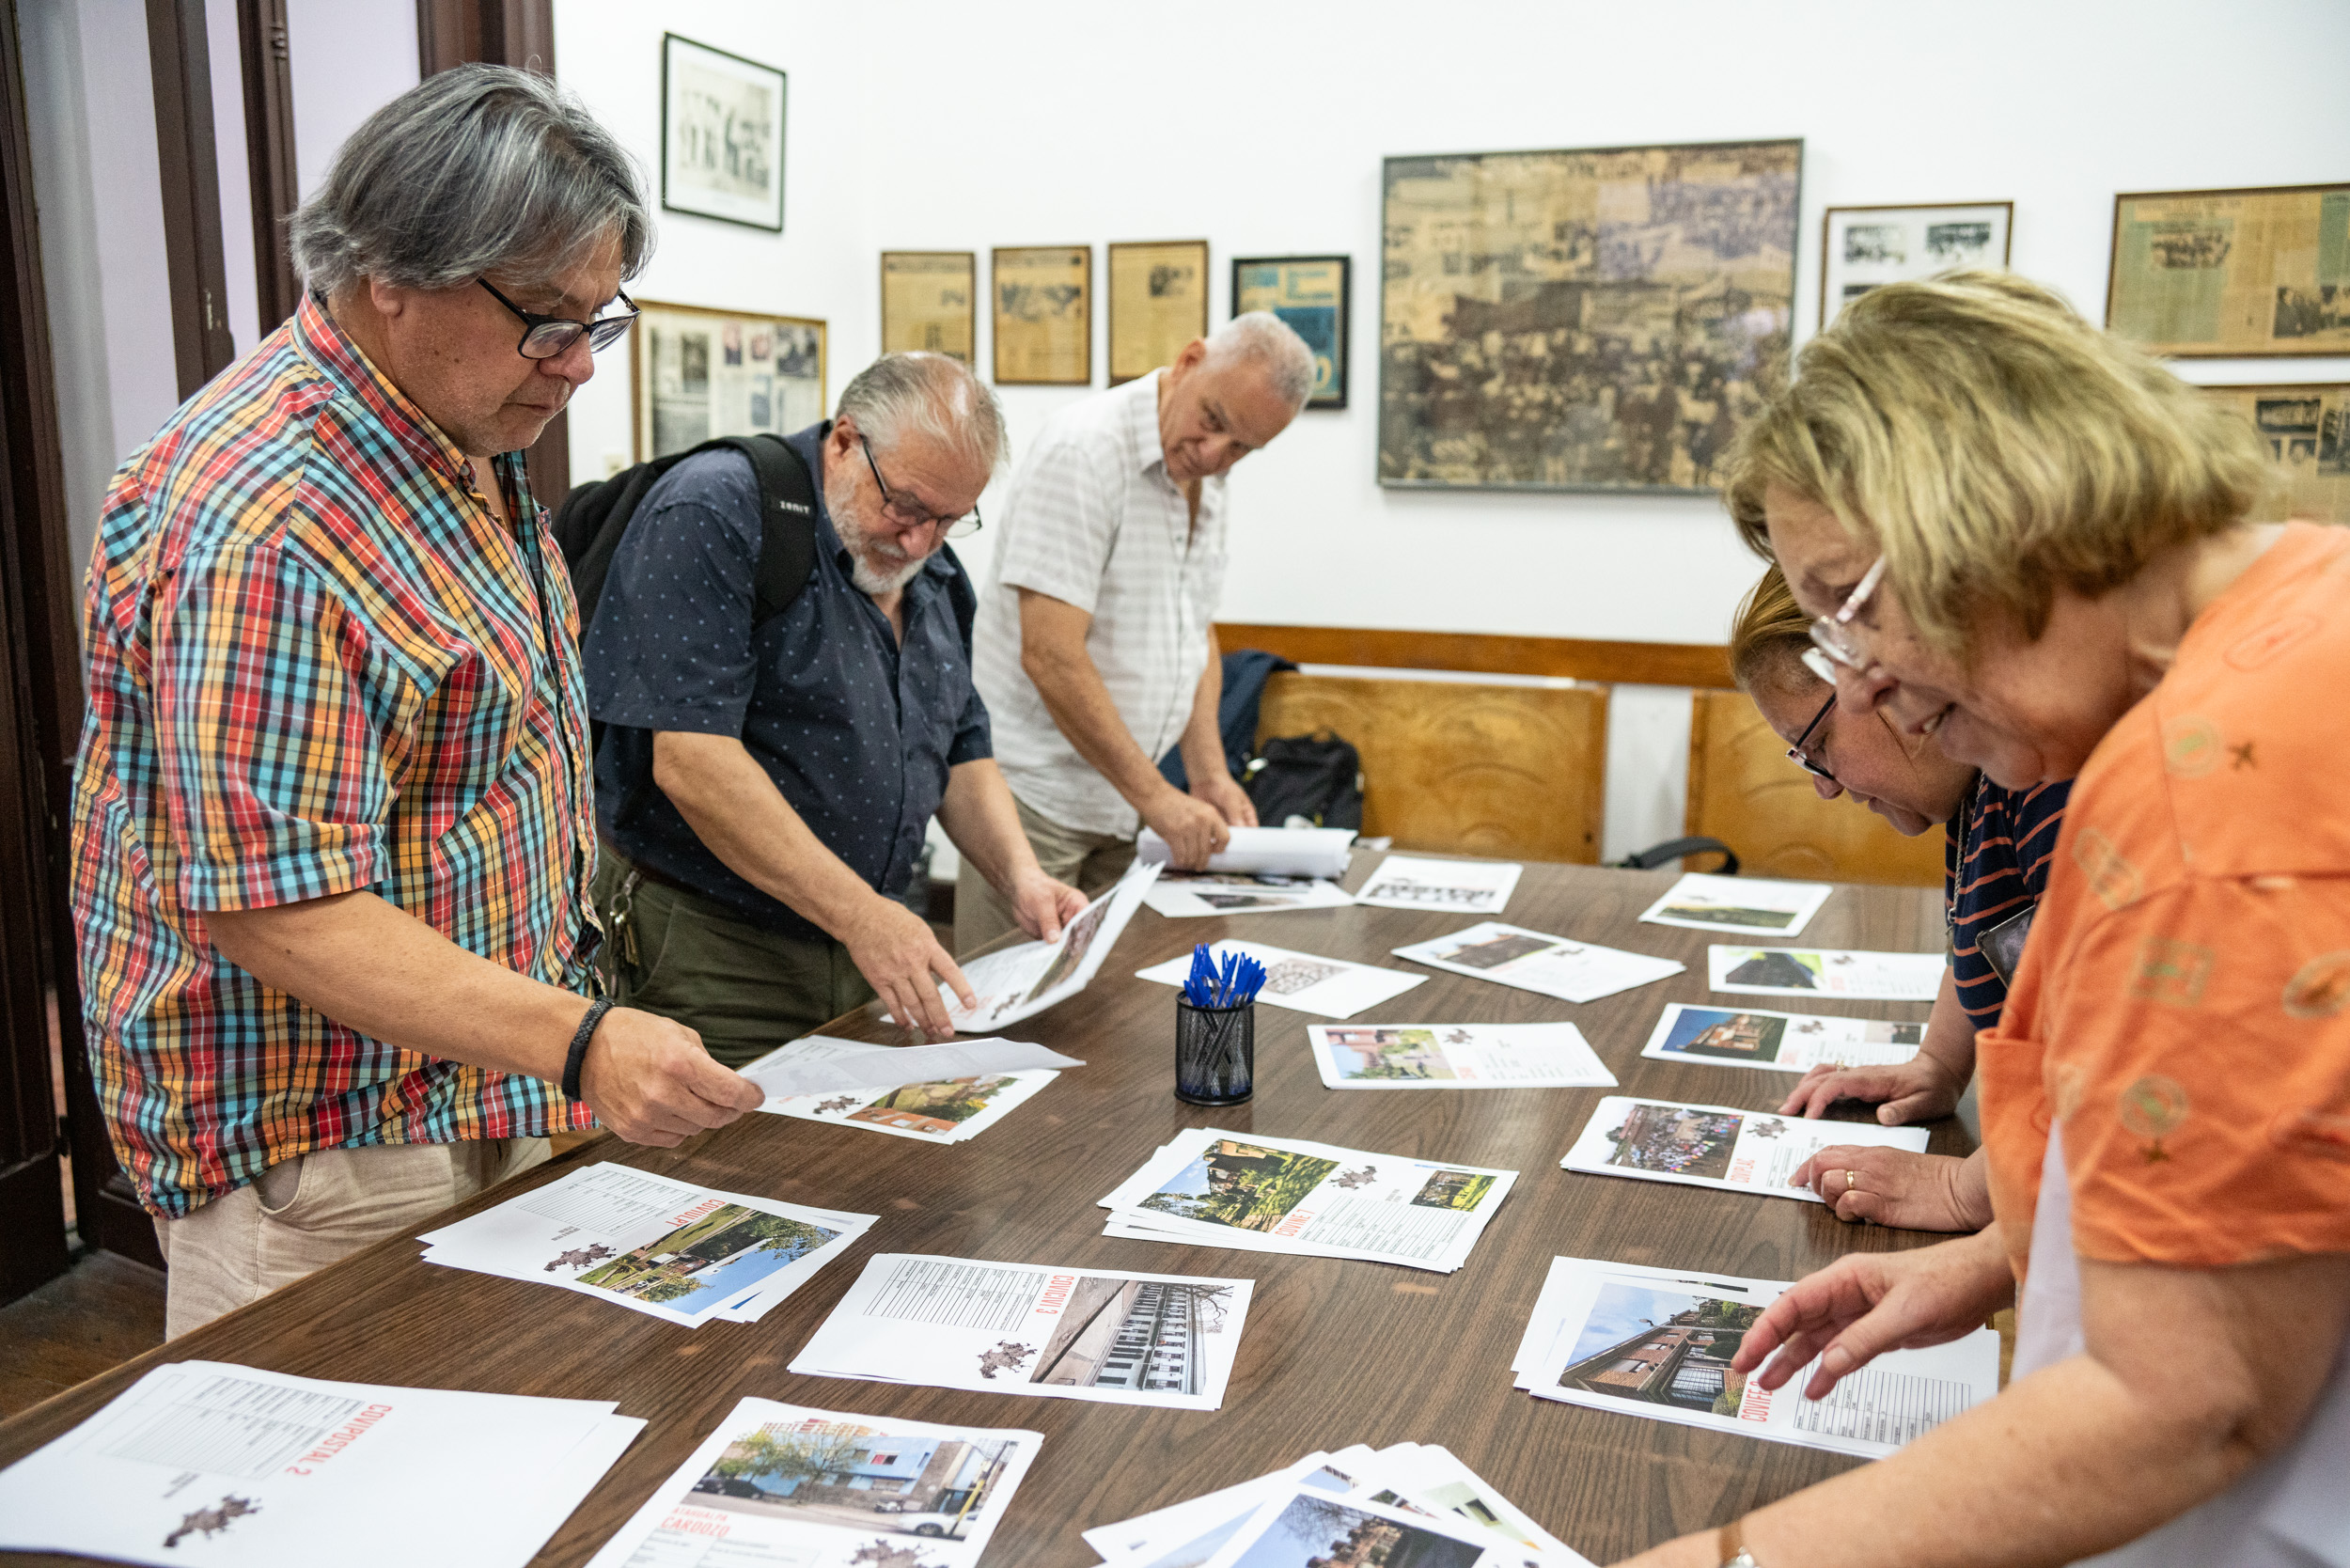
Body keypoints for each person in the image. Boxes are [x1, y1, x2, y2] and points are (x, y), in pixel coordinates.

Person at [1614, 273, 2350, 1566]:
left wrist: (1721, 1560)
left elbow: (2189, 1402)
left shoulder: (2205, 783)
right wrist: (2011, 1251)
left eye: (1851, 600)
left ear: (1990, 499)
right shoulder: (2304, 601)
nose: (1869, 682)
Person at [69, 66, 763, 1340]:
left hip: (479, 1089)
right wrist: (580, 1039)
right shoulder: (261, 520)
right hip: (330, 1147)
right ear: (391, 270)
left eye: (596, 323)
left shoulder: (456, 435)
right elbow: (280, 911)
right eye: (544, 320)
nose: (574, 368)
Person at [584, 354, 1087, 1059]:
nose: (920, 541)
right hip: (715, 953)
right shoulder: (715, 510)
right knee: (717, 1162)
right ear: (845, 440)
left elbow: (960, 749)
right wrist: (861, 916)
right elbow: (693, 761)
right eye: (905, 506)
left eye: (948, 518)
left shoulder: (933, 570)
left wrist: (1021, 877)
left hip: (872, 946)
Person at [957, 313, 1316, 954]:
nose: (1213, 454)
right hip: (1039, 801)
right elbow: (1050, 655)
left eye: (1241, 448)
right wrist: (1158, 796)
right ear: (1188, 359)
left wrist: (1206, 773)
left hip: (1121, 803)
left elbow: (1192, 629)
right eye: (1213, 420)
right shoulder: (1085, 451)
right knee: (1006, 1023)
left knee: (1098, 1025)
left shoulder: (1206, 474)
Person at [1726, 566, 2070, 1232]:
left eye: (1819, 745)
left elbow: (2109, 1043)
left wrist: (1964, 1189)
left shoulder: (2042, 784)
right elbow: (1986, 935)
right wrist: (1937, 1064)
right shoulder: (1977, 789)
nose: (1824, 786)